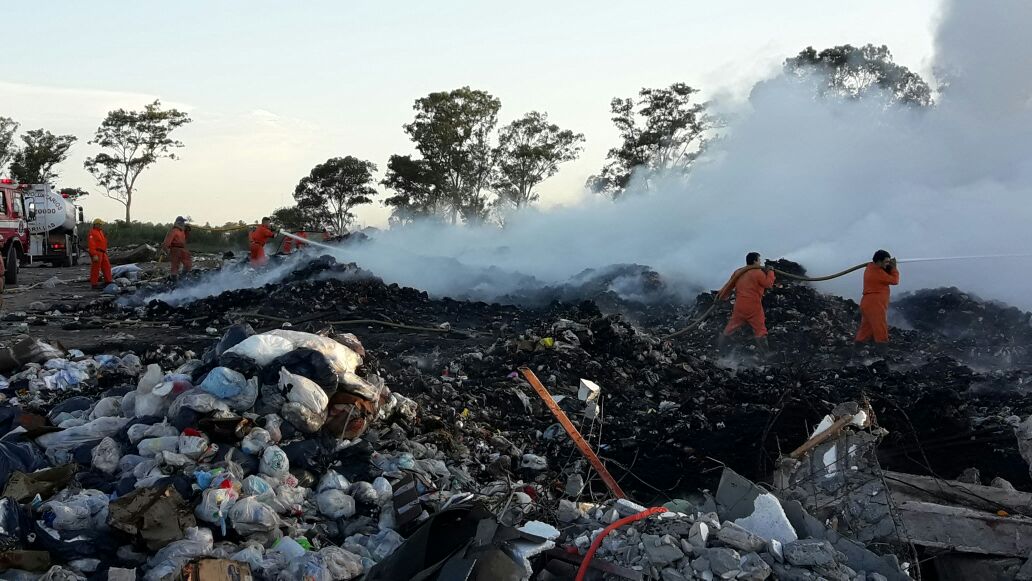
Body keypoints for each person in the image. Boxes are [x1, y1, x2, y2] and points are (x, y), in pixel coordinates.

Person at [717, 252, 776, 356]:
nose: (760, 262)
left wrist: (720, 297)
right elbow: (768, 284)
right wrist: (771, 272)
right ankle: (766, 354)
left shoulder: (738, 272)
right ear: (755, 261)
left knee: (730, 328)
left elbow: (728, 286)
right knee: (760, 329)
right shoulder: (757, 273)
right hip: (753, 307)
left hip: (739, 306)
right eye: (759, 260)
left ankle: (718, 348)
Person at [854, 249, 900, 358]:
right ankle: (883, 357)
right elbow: (895, 280)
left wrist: (888, 266)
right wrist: (894, 268)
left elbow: (885, 273)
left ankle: (855, 355)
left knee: (866, 329)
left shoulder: (871, 268)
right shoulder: (877, 272)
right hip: (875, 305)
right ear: (879, 261)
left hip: (868, 303)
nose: (887, 264)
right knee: (880, 330)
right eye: (886, 262)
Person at [162, 216, 192, 282]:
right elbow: (166, 242)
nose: (183, 223)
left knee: (188, 263)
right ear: (178, 222)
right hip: (175, 249)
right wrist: (166, 251)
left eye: (183, 222)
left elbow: (185, 239)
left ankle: (182, 278)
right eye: (182, 222)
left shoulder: (182, 231)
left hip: (182, 249)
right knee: (175, 266)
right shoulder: (173, 231)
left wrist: (187, 231)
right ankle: (174, 281)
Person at [87, 218, 113, 289]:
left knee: (107, 267)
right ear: (96, 225)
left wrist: (105, 251)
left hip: (103, 252)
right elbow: (91, 244)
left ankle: (108, 281)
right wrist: (94, 254)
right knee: (96, 268)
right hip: (97, 252)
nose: (101, 226)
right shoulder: (92, 232)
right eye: (100, 224)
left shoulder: (100, 232)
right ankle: (94, 284)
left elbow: (103, 242)